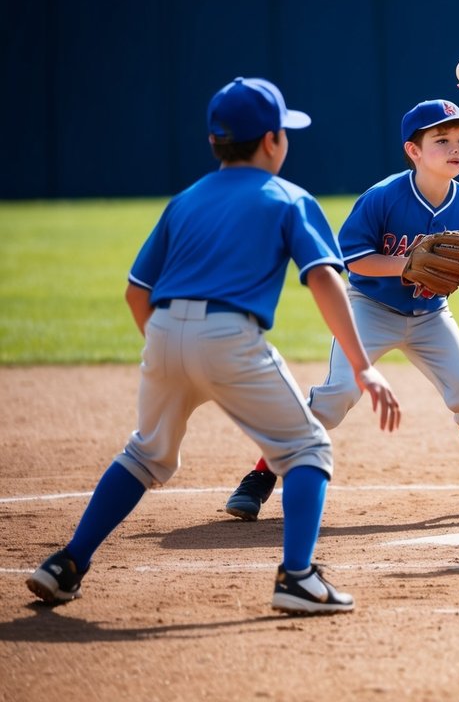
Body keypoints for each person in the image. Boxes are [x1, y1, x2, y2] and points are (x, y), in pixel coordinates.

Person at [27, 77, 400, 615]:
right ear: (272, 141)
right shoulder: (288, 197)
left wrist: (169, 350)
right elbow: (324, 279)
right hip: (229, 337)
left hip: (162, 333)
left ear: (213, 142)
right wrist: (364, 368)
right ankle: (297, 578)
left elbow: (137, 291)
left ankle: (66, 563)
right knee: (307, 451)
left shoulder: (185, 200)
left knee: (145, 454)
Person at [222, 99, 459, 522]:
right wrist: (407, 264)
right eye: (441, 139)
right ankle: (261, 475)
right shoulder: (383, 197)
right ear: (413, 151)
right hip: (371, 309)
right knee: (336, 398)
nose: (455, 149)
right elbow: (352, 259)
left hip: (431, 315)